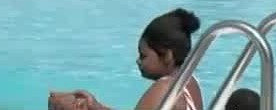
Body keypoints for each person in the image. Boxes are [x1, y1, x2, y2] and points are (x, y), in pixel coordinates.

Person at [48, 8, 204, 110]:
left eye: (144, 55)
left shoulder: (163, 88)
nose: (138, 61)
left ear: (167, 56)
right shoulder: (189, 81)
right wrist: (96, 106)